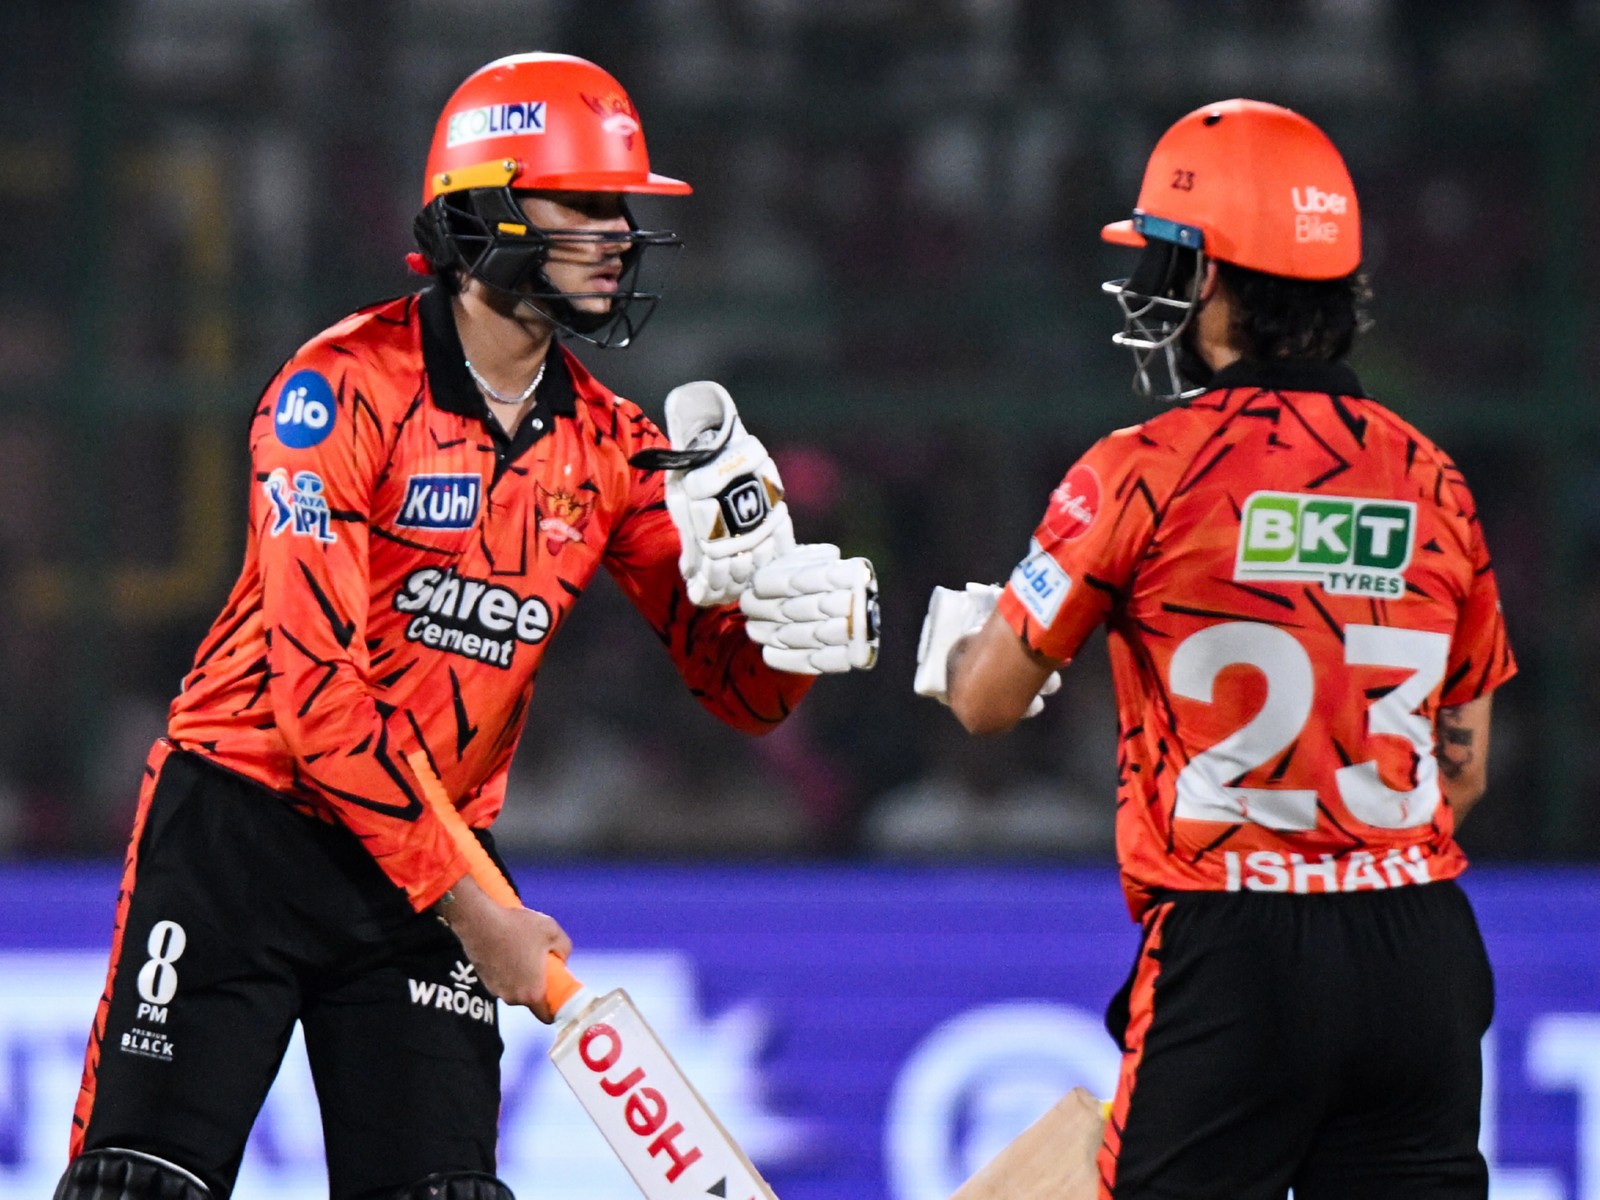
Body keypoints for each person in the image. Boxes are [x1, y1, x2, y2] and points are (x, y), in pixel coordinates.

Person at [56, 52, 876, 1200]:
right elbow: (317, 700)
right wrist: (476, 910)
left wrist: (780, 621)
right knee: (138, 1187)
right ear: (484, 208)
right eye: (582, 206)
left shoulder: (615, 444)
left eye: (621, 210)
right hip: (244, 831)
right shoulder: (337, 390)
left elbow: (736, 693)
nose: (617, 235)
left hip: (429, 859)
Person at [915, 99, 1515, 1200]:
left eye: (1165, 261)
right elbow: (1463, 763)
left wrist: (957, 642)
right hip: (1418, 942)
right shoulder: (1431, 476)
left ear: (1208, 281)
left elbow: (988, 702)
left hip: (1237, 947)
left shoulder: (1144, 464)